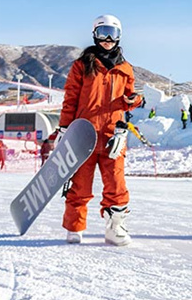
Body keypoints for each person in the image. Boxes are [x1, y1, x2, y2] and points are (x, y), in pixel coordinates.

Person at [58, 14, 143, 246]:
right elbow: (71, 98)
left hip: (113, 135)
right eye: (103, 32)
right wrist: (64, 129)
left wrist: (134, 100)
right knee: (80, 185)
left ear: (119, 37)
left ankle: (115, 227)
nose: (107, 38)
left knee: (116, 185)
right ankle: (75, 228)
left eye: (112, 33)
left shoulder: (125, 68)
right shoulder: (82, 65)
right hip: (84, 134)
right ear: (95, 35)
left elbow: (127, 99)